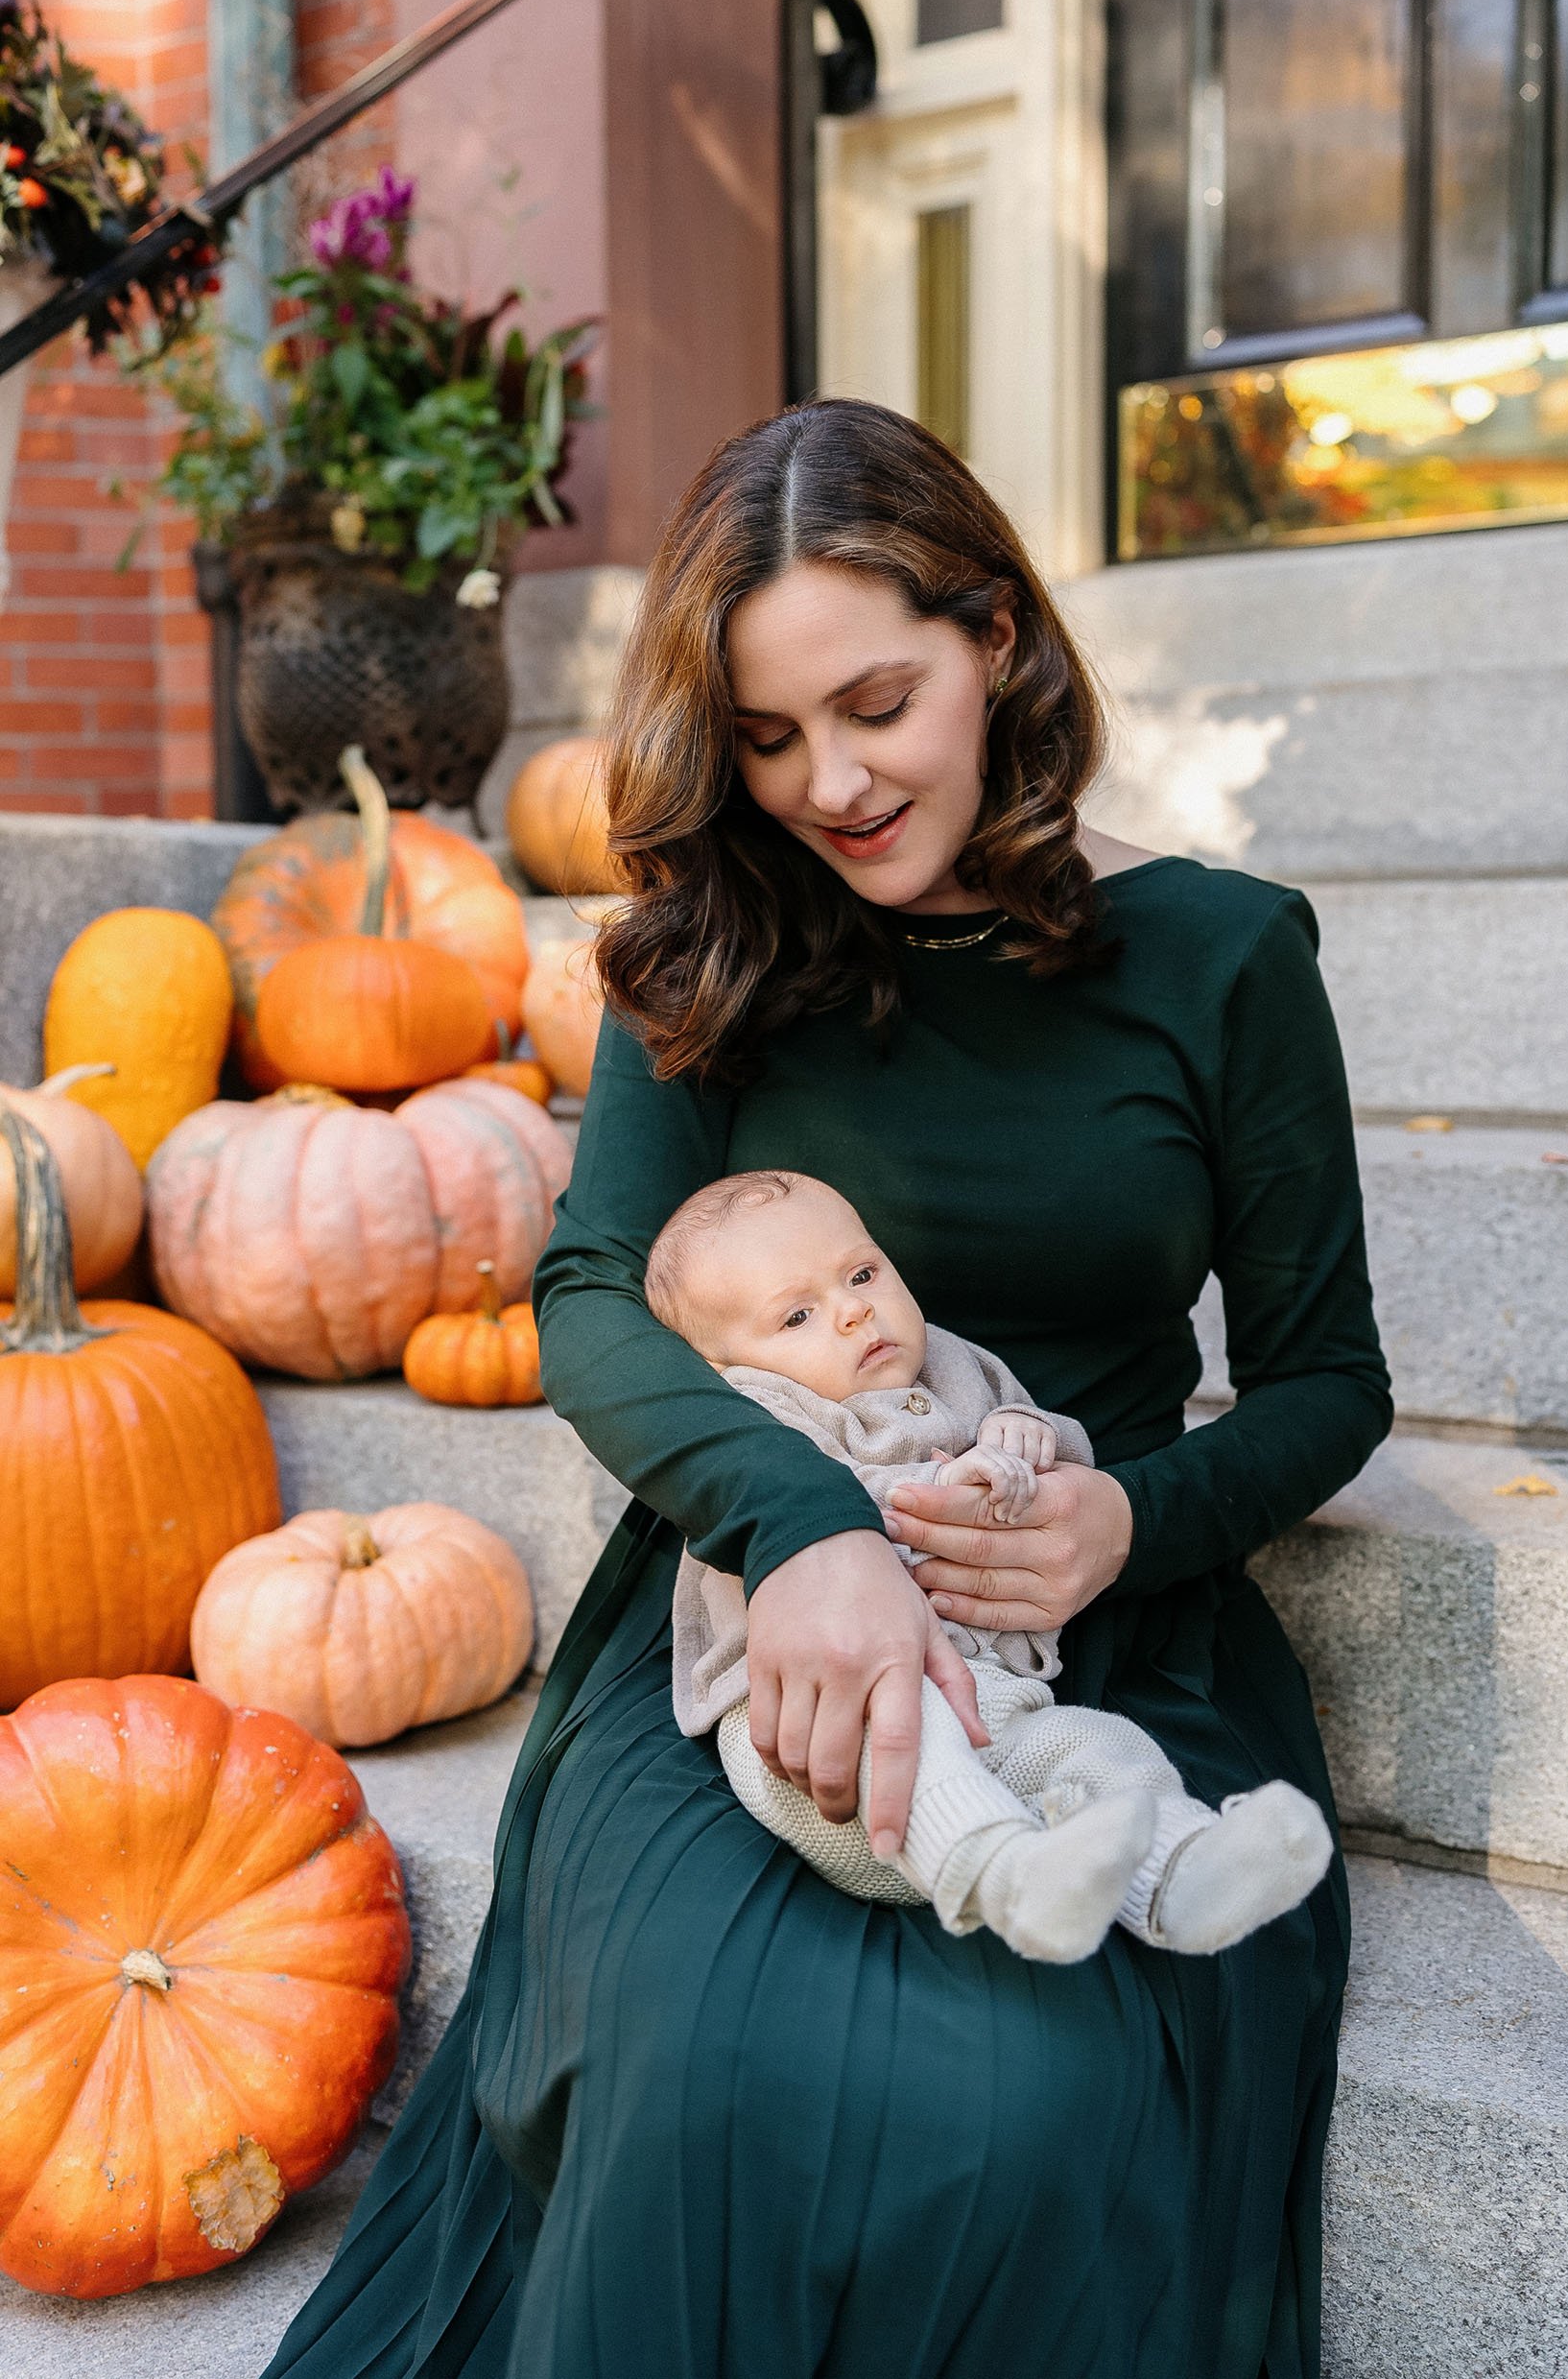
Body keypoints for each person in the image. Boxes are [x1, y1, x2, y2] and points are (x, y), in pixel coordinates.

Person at [263, 397, 1391, 2379]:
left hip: (1088, 1621)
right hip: (739, 1615)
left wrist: (1130, 1516)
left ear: (997, 642)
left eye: (874, 701)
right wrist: (798, 1524)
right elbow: (592, 1290)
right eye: (769, 738)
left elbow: (1325, 1381)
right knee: (711, 2067)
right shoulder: (704, 949)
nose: (833, 784)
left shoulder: (1219, 960)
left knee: (1023, 2116)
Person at [653, 1166, 1333, 1963]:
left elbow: (1032, 1424)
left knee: (1096, 1747)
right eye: (798, 1315)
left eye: (863, 1272)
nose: (852, 1311)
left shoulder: (951, 1363)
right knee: (916, 1734)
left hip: (997, 1700)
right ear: (730, 1366)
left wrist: (1023, 1437)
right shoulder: (760, 1410)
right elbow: (812, 1494)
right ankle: (998, 1875)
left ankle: (1180, 1873)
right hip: (828, 1726)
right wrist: (943, 1485)